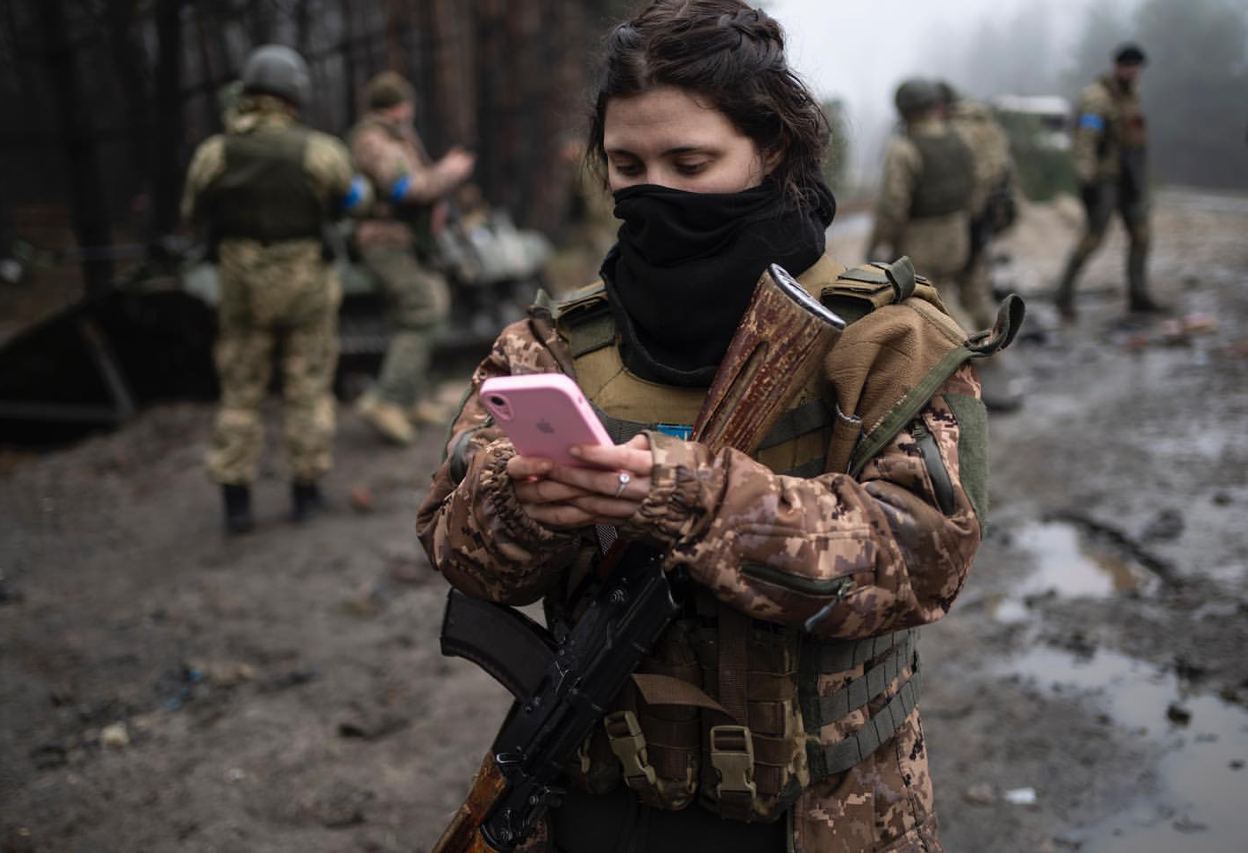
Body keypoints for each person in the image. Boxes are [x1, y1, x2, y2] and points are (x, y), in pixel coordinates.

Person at [418, 2, 1006, 850]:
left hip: (823, 816)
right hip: (596, 805)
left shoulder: (883, 339)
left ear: (771, 149)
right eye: (628, 165)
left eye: (690, 163)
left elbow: (924, 559)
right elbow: (454, 540)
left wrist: (690, 496)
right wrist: (521, 504)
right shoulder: (556, 344)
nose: (655, 189)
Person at [181, 45, 370, 533]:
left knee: (240, 393)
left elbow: (191, 214)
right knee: (307, 388)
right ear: (295, 94)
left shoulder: (215, 153)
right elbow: (352, 199)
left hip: (241, 289)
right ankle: (305, 494)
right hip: (306, 285)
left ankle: (236, 503)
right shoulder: (319, 151)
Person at [348, 71, 476, 445]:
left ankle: (409, 397)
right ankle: (385, 400)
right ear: (399, 106)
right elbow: (404, 187)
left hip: (407, 242)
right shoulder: (373, 140)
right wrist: (448, 173)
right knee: (421, 309)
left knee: (432, 303)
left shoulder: (396, 137)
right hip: (384, 241)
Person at [1055, 43, 1159, 321]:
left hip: (1130, 178)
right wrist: (1087, 178)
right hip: (1105, 179)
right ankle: (1063, 294)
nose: (1133, 72)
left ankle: (1138, 295)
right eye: (1128, 66)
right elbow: (1086, 141)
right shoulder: (1097, 98)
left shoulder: (1132, 94)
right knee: (1093, 238)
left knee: (1142, 236)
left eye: (1136, 67)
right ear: (1117, 67)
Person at [941, 81, 1023, 412]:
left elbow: (962, 180)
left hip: (965, 218)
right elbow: (1006, 175)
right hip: (989, 216)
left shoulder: (956, 131)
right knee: (976, 289)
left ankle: (978, 362)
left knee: (952, 290)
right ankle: (995, 354)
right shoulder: (989, 126)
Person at [866, 79, 975, 324]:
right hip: (957, 236)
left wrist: (878, 243)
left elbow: (892, 205)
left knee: (926, 310)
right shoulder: (960, 140)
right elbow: (973, 187)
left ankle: (967, 345)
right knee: (945, 296)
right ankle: (975, 342)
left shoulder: (903, 148)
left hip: (920, 242)